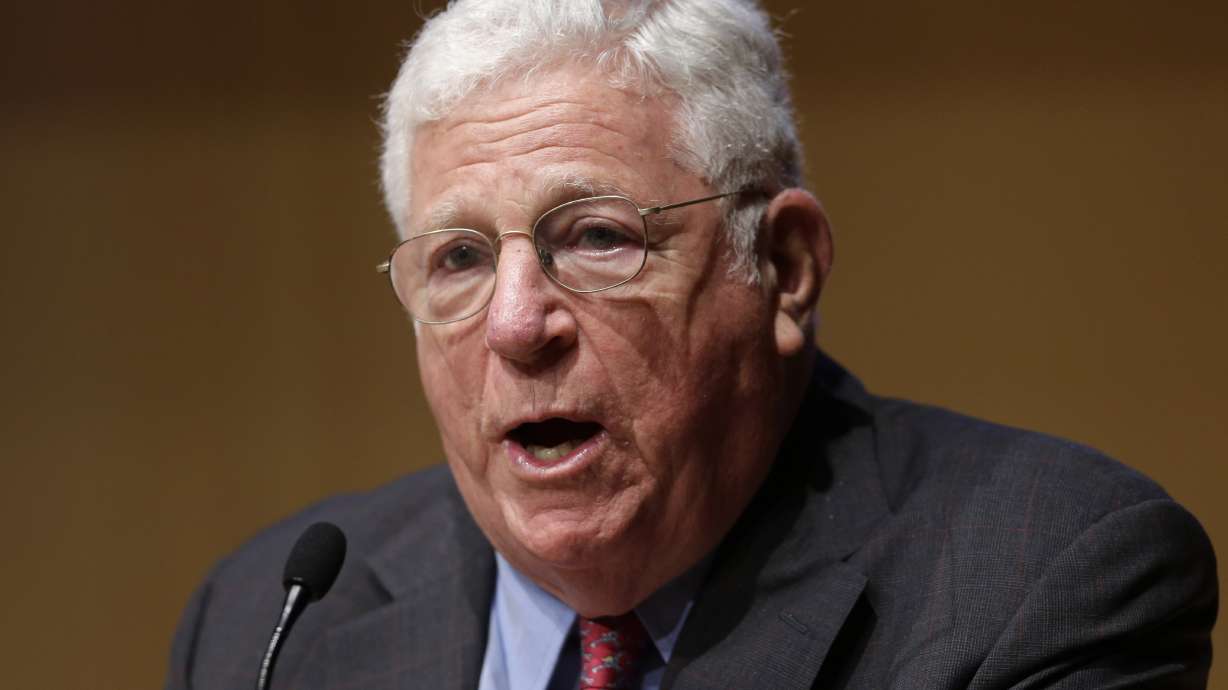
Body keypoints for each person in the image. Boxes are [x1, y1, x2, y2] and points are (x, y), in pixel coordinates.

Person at [165, 1, 1217, 688]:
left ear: (786, 266)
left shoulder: (1037, 584)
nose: (516, 322)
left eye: (598, 237)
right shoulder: (268, 624)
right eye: (459, 259)